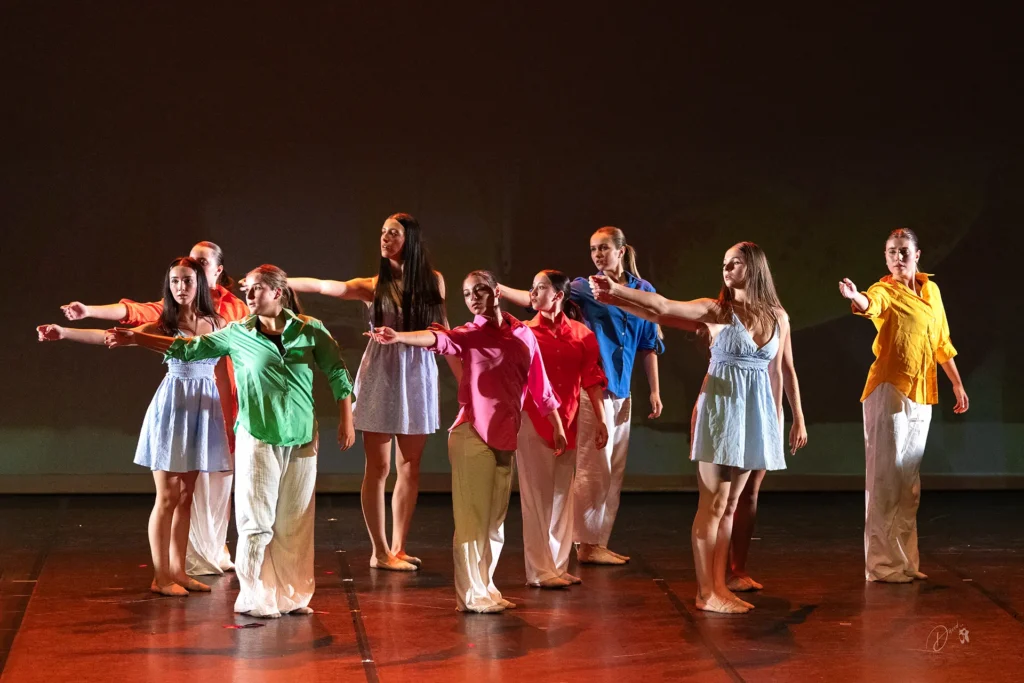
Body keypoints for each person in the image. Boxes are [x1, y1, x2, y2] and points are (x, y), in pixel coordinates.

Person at [106, 264, 355, 618]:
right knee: (256, 521)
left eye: (256, 289)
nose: (248, 296)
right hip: (257, 434)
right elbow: (189, 348)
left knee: (294, 521)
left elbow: (336, 370)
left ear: (277, 294)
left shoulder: (309, 329)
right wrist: (138, 337)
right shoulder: (237, 333)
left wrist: (347, 419)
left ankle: (291, 594)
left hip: (301, 436)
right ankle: (255, 595)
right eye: (247, 289)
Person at [591, 242, 804, 614]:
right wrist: (617, 293)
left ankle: (720, 587)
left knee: (731, 504)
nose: (726, 268)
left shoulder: (778, 317)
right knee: (714, 503)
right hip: (721, 411)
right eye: (724, 263)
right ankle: (707, 592)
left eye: (735, 263)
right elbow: (662, 308)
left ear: (753, 269)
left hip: (753, 415)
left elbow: (783, 369)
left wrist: (795, 416)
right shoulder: (717, 311)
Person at [367, 270, 566, 613]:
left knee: (493, 523)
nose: (473, 297)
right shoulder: (469, 334)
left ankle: (486, 588)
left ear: (496, 292)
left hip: (506, 437)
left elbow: (540, 385)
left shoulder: (523, 333)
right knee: (472, 521)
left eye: (479, 290)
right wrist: (398, 336)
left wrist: (557, 425)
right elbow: (438, 340)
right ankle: (471, 596)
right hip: (471, 434)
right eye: (466, 293)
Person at [38, 257, 231, 596]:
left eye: (186, 280)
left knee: (187, 497)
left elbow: (213, 352)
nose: (180, 287)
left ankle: (179, 571)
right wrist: (65, 331)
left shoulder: (216, 322)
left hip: (205, 408)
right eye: (174, 281)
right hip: (174, 406)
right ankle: (161, 577)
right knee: (168, 495)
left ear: (200, 284)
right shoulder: (164, 323)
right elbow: (110, 337)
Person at [289, 213, 458, 571]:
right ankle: (379, 550)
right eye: (382, 232)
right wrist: (282, 282)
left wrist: (464, 381)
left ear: (409, 239)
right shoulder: (372, 284)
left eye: (392, 233)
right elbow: (325, 286)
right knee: (378, 467)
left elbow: (444, 331)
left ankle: (398, 547)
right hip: (382, 371)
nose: (384, 238)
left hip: (418, 374)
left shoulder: (434, 282)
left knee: (410, 466)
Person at [499, 226, 663, 565]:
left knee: (613, 470)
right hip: (594, 390)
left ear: (621, 250)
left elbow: (649, 345)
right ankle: (585, 543)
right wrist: (499, 290)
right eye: (593, 250)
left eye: (604, 248)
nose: (598, 255)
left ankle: (597, 541)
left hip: (622, 390)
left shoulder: (643, 290)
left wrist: (655, 391)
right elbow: (543, 296)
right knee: (594, 467)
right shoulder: (584, 288)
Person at [839, 227, 968, 583]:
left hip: (922, 390)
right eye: (892, 252)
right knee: (885, 479)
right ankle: (881, 566)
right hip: (890, 388)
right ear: (885, 258)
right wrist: (857, 297)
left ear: (917, 254)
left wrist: (956, 383)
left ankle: (905, 562)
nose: (898, 257)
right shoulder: (885, 290)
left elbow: (942, 341)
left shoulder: (932, 291)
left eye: (904, 251)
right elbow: (870, 304)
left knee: (909, 483)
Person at [518, 270, 608, 588]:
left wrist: (600, 419)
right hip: (533, 421)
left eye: (540, 287)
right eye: (532, 287)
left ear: (558, 295)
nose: (533, 292)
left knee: (561, 496)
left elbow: (592, 378)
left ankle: (557, 565)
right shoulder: (525, 333)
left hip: (568, 422)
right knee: (536, 497)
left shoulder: (582, 335)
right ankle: (539, 570)